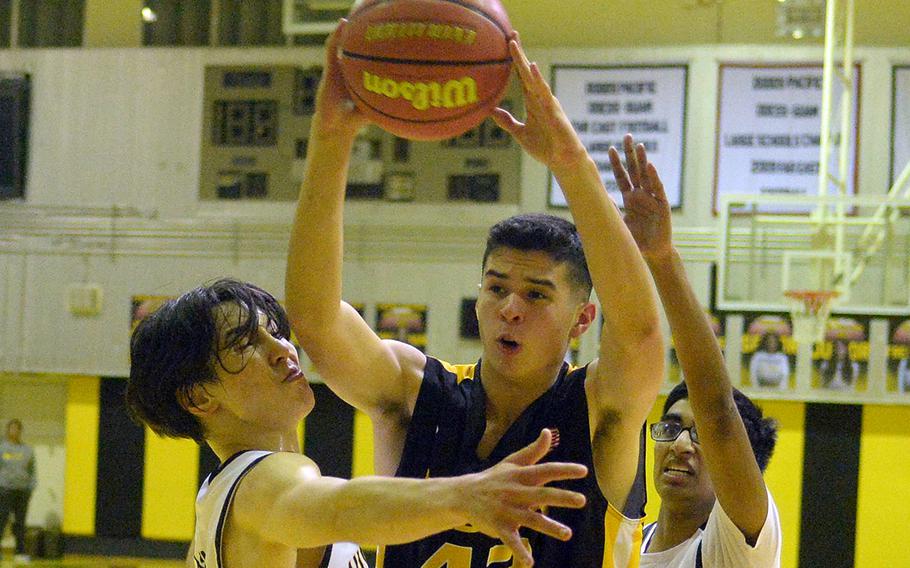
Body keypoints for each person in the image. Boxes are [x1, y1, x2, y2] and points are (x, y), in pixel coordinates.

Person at [286, 25, 664, 568]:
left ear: (582, 320)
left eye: (536, 295)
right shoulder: (415, 394)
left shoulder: (601, 409)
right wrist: (329, 142)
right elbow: (315, 321)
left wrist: (569, 163)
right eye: (496, 288)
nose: (509, 308)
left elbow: (642, 333)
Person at [125, 278, 589, 568]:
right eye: (246, 342)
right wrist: (466, 494)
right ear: (198, 397)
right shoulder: (263, 477)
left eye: (275, 330)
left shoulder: (215, 496)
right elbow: (340, 506)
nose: (284, 348)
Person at [605, 135, 781, 567]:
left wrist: (662, 259)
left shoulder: (738, 546)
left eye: (699, 434)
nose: (681, 444)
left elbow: (720, 413)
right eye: (671, 427)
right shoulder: (620, 546)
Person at [0, 419, 36, 564]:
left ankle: (20, 552)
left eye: (17, 429)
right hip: (5, 490)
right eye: (11, 428)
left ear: (20, 431)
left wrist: (31, 487)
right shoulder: (2, 448)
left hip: (23, 491)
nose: (14, 431)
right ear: (8, 430)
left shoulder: (27, 450)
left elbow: (32, 471)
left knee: (20, 523)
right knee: (1, 520)